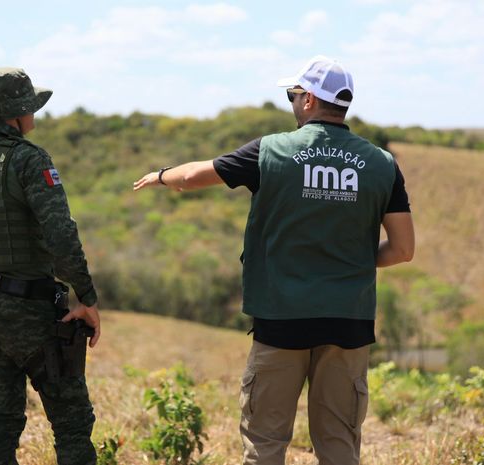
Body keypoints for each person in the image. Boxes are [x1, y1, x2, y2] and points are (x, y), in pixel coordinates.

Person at [133, 55, 414, 465]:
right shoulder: (382, 164)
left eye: (292, 94)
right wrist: (346, 261)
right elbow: (403, 249)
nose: (291, 102)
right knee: (339, 444)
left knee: (265, 443)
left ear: (310, 100)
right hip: (349, 320)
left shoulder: (271, 151)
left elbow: (194, 177)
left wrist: (160, 176)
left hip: (282, 317)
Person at [0, 67, 100, 465]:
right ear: (17, 113)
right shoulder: (28, 159)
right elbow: (61, 235)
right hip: (28, 308)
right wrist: (87, 297)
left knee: (1, 421)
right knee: (72, 421)